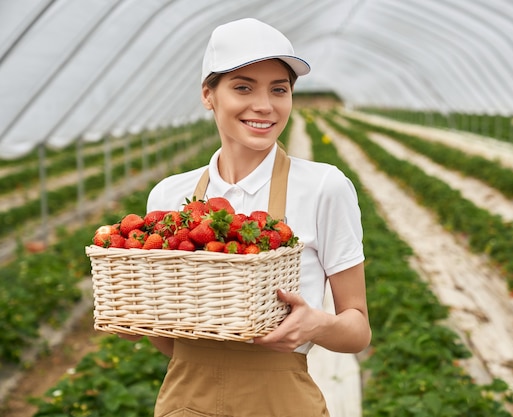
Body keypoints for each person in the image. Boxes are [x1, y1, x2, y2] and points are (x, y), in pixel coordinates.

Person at [122, 17, 371, 417]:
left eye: (279, 89)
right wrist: (140, 317)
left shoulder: (324, 186)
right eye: (243, 87)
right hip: (186, 399)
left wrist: (316, 325)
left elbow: (357, 329)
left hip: (281, 402)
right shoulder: (168, 195)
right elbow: (169, 341)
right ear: (209, 94)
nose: (265, 106)